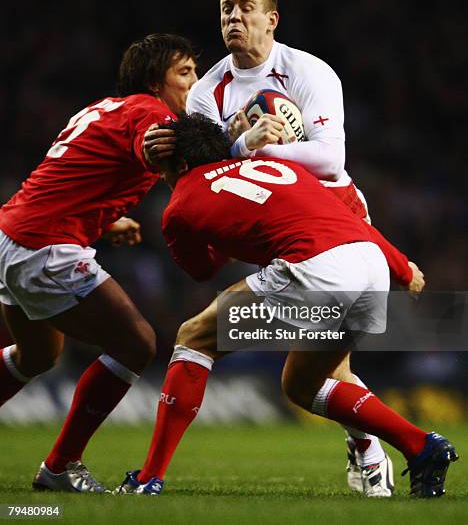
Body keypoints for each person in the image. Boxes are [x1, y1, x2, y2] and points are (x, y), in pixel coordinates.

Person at [143, 0, 423, 496]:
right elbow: (205, 165)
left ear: (272, 19)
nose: (233, 18)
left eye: (246, 8)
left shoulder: (308, 71)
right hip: (274, 217)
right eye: (226, 9)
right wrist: (239, 141)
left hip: (334, 212)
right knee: (320, 368)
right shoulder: (209, 90)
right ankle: (381, 449)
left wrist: (256, 150)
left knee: (313, 364)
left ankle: (377, 450)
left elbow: (329, 158)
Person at [116, 114, 457, 499]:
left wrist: (223, 242)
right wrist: (400, 266)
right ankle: (422, 446)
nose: (162, 178)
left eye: (163, 170)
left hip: (316, 268)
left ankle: (148, 478)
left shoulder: (178, 205)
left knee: (194, 338)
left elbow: (200, 269)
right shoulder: (274, 164)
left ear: (180, 165)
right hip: (371, 266)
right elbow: (348, 220)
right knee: (302, 385)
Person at [0, 33, 198, 492]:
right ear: (155, 80)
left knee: (37, 355)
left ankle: (60, 466)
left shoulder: (106, 107)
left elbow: (70, 179)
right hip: (44, 246)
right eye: (184, 73)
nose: (194, 82)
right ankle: (60, 466)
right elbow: (156, 148)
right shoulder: (153, 114)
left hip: (13, 235)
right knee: (138, 343)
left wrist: (106, 223)